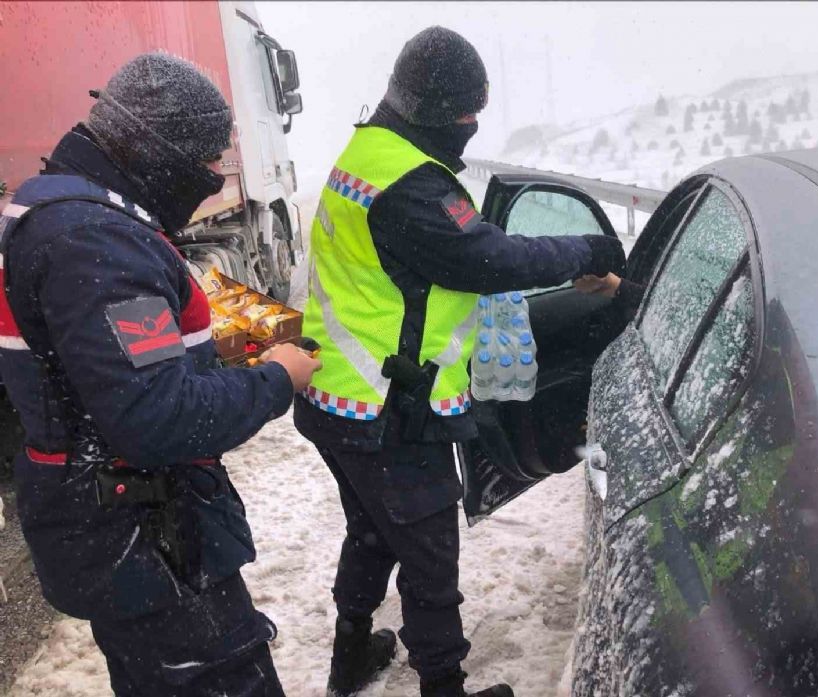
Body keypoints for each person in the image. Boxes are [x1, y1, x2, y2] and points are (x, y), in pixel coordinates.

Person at [294, 27, 627, 697]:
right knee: (428, 557)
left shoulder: (369, 152)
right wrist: (588, 254)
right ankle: (443, 687)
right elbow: (485, 258)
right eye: (467, 111)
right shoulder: (411, 186)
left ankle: (350, 654)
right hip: (391, 409)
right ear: (435, 110)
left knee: (372, 531)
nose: (473, 124)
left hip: (335, 395)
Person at [0, 53, 321, 696]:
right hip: (149, 538)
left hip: (127, 529)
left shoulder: (70, 210)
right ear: (159, 154)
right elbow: (155, 416)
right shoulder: (94, 237)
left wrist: (237, 336)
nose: (211, 179)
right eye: (204, 165)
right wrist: (277, 379)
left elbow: (100, 357)